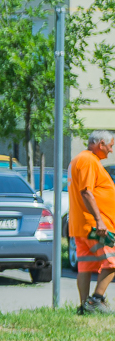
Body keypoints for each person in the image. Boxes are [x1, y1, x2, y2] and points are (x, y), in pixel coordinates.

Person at [69, 130, 115, 314]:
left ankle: (83, 307)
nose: (111, 151)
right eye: (110, 146)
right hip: (94, 226)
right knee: (112, 261)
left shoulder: (79, 159)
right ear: (101, 143)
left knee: (86, 266)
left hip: (82, 225)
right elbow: (86, 192)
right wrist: (99, 221)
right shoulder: (88, 160)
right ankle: (96, 300)